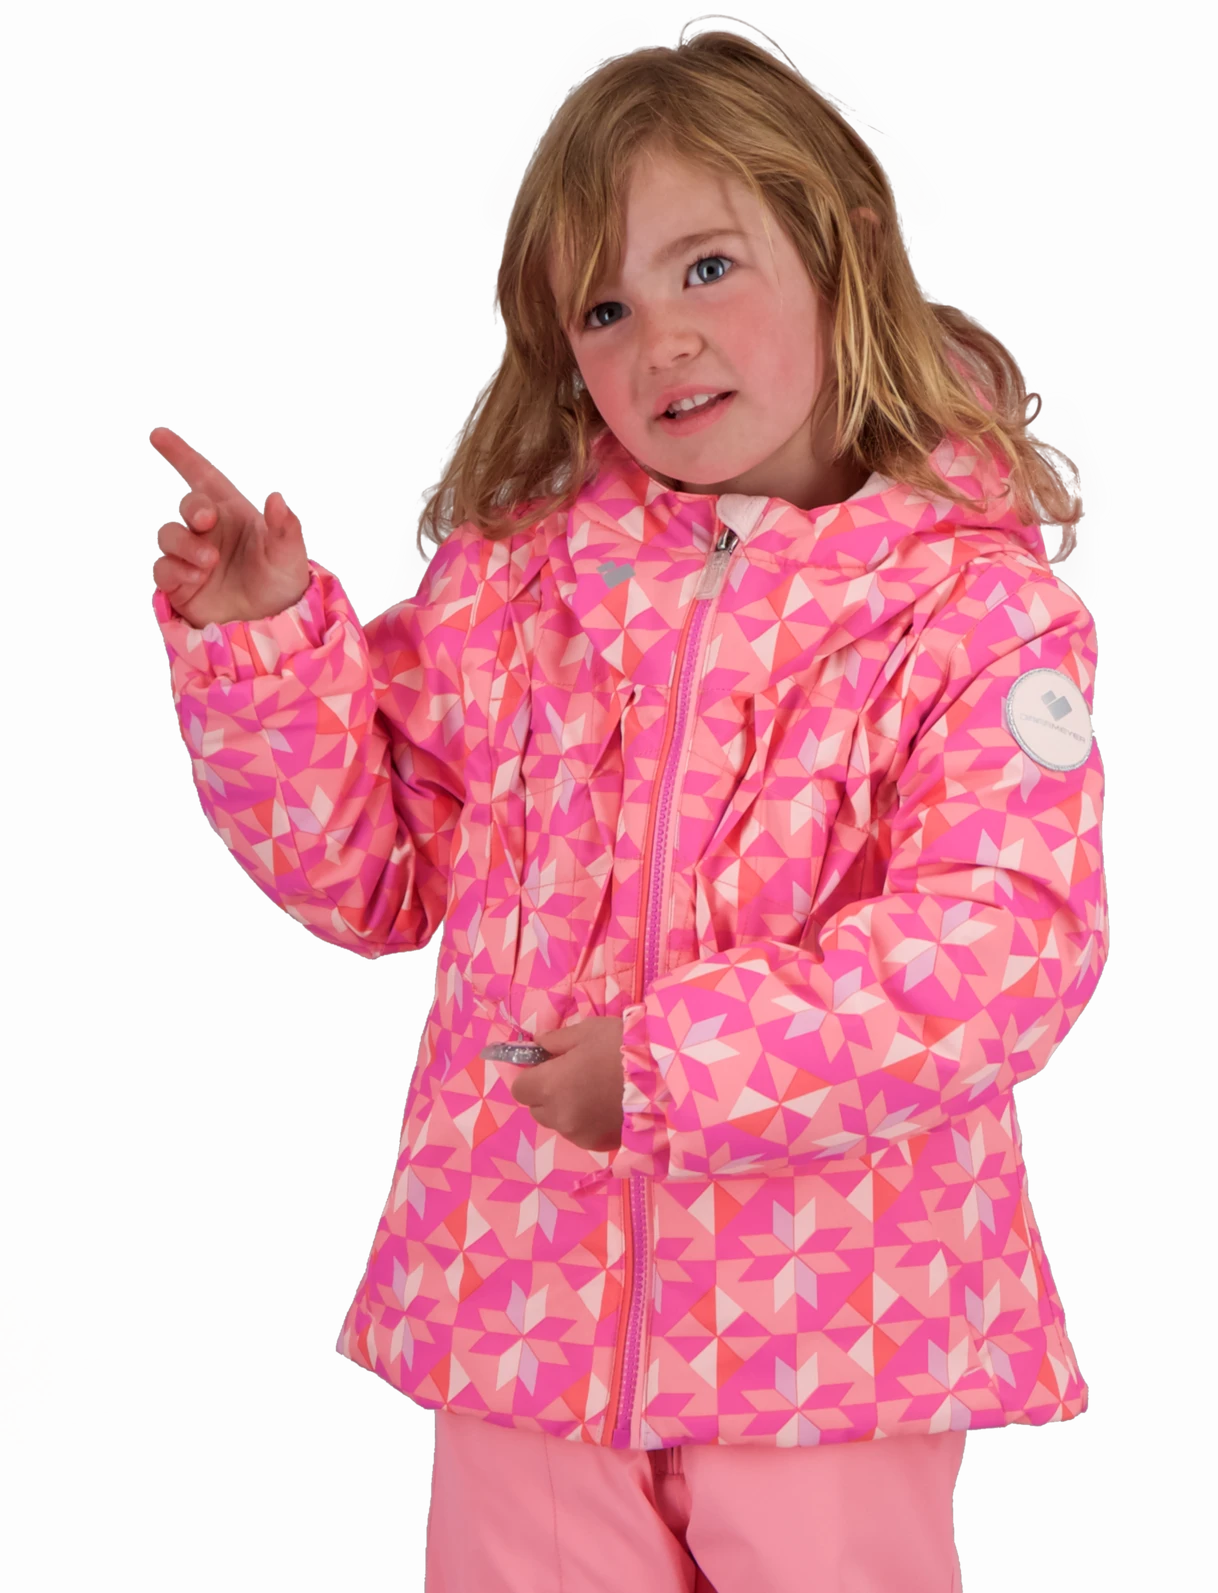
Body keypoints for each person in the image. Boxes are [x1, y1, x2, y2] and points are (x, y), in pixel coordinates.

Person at [148, 28, 1108, 1593]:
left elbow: (999, 951)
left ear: (843, 246)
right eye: (604, 308)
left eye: (707, 267)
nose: (662, 340)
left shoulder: (971, 617)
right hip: (529, 1302)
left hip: (826, 1332)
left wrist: (669, 1072)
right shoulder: (519, 588)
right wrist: (262, 651)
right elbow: (370, 874)